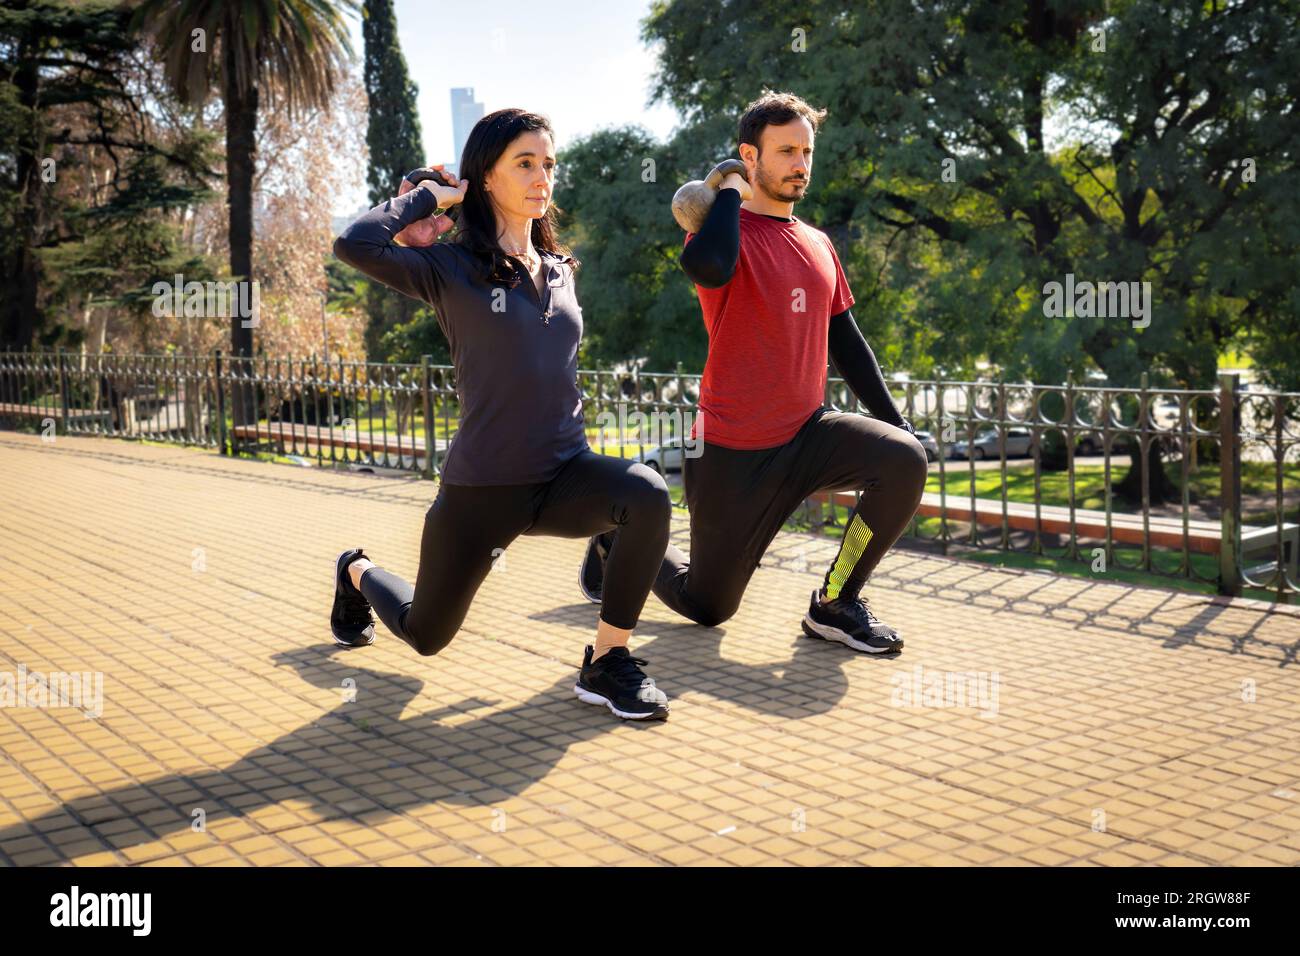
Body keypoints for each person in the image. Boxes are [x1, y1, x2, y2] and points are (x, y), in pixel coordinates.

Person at [330, 108, 672, 720]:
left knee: (644, 492)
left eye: (548, 165)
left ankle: (608, 660)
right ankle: (357, 572)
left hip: (565, 474)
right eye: (524, 164)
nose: (542, 177)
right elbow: (353, 244)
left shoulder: (563, 271)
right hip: (483, 490)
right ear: (485, 177)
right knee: (427, 635)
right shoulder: (450, 270)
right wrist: (431, 199)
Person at [580, 91, 928, 654]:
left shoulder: (817, 243)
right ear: (750, 155)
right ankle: (616, 538)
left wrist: (895, 421)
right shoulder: (721, 232)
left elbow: (846, 339)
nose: (800, 164)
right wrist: (731, 196)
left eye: (807, 151)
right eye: (786, 150)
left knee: (904, 460)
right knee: (707, 606)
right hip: (732, 451)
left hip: (809, 434)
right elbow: (708, 267)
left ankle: (836, 602)